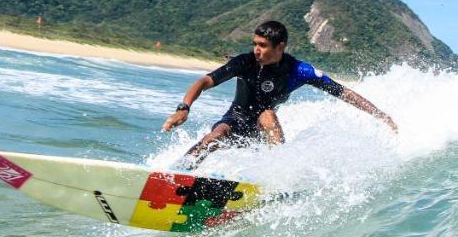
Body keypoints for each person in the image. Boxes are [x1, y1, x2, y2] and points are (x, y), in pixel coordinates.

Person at [162, 20, 398, 170]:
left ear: (280, 46)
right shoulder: (244, 62)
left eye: (263, 45)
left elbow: (341, 91)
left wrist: (379, 114)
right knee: (217, 135)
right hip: (235, 119)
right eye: (255, 43)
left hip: (263, 131)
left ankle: (277, 173)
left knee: (267, 115)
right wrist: (183, 108)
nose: (256, 50)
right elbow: (204, 81)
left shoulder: (299, 70)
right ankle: (178, 172)